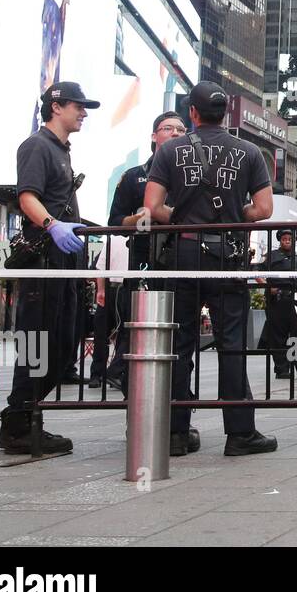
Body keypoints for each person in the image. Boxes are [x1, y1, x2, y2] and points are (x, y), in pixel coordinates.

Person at [144, 81, 278, 458]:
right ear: (227, 114)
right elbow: (264, 210)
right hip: (227, 255)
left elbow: (153, 206)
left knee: (180, 343)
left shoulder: (170, 150)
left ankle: (175, 432)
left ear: (192, 113)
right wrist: (232, 219)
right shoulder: (249, 151)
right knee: (231, 343)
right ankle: (239, 433)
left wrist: (183, 220)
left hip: (184, 253)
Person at [0, 82, 98, 456]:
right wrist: (52, 225)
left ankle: (28, 416)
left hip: (64, 260)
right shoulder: (37, 145)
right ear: (57, 107)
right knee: (37, 343)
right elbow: (27, 197)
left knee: (64, 343)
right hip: (43, 260)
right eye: (78, 106)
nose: (83, 113)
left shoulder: (62, 150)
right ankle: (18, 425)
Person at [92, 110, 188, 393]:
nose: (175, 134)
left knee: (181, 335)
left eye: (181, 130)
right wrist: (146, 216)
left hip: (183, 262)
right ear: (154, 135)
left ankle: (178, 401)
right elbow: (115, 223)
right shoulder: (134, 177)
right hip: (144, 264)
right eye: (168, 128)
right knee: (135, 332)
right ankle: (131, 391)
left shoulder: (193, 175)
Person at [258, 229, 297, 380]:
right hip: (279, 299)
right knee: (279, 336)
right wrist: (268, 287)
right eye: (284, 238)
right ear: (280, 240)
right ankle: (282, 369)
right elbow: (257, 272)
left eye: (290, 238)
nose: (287, 240)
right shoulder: (271, 256)